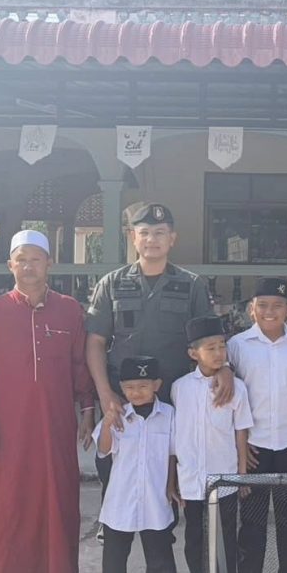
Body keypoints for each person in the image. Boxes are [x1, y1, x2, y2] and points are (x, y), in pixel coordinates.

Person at [85, 203, 229, 510]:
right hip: (122, 395)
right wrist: (104, 392)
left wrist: (224, 368)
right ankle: (112, 522)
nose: (152, 239)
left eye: (160, 233)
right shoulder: (111, 284)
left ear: (172, 238)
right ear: (132, 237)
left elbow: (209, 339)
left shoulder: (191, 285)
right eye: (145, 232)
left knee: (168, 465)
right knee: (114, 463)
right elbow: (95, 341)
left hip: (172, 395)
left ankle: (165, 522)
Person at [0, 230, 95, 573]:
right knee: (7, 507)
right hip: (6, 431)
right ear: (10, 265)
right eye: (21, 260)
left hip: (56, 429)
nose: (28, 266)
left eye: (35, 259)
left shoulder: (69, 310)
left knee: (58, 503)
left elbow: (80, 366)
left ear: (49, 263)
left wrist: (88, 410)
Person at [230, 278, 287, 573]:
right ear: (252, 309)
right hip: (254, 447)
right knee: (252, 522)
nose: (270, 312)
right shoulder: (237, 345)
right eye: (263, 305)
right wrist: (240, 447)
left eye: (277, 305)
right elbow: (229, 399)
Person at [173, 316, 253, 573]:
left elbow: (241, 431)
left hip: (224, 477)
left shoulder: (237, 388)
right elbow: (176, 437)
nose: (219, 353)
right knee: (194, 538)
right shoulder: (179, 388)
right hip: (191, 479)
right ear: (193, 353)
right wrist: (173, 478)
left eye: (222, 346)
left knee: (226, 537)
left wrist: (242, 474)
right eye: (211, 348)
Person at [96, 356, 176, 573]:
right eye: (130, 387)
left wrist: (170, 485)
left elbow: (171, 454)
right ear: (122, 388)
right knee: (114, 561)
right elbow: (103, 450)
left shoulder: (169, 415)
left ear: (156, 385)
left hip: (155, 499)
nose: (136, 392)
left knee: (161, 560)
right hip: (120, 501)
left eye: (143, 386)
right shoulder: (118, 415)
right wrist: (107, 424)